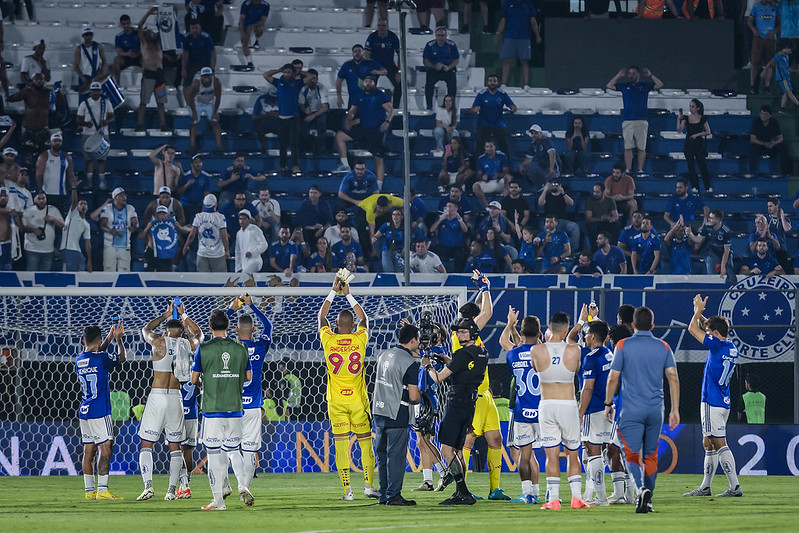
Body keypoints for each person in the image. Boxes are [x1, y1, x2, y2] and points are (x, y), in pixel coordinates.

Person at [421, 271, 494, 505]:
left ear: (470, 331)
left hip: (458, 400)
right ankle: (464, 490)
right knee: (459, 448)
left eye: (462, 329)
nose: (458, 332)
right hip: (473, 399)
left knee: (448, 449)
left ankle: (462, 491)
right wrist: (484, 289)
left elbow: (440, 378)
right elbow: (487, 313)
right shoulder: (481, 350)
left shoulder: (462, 349)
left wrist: (428, 365)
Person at [604, 306, 680, 514]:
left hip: (630, 410)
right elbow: (673, 378)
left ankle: (641, 489)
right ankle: (648, 501)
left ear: (633, 325)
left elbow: (613, 378)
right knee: (650, 456)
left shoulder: (622, 345)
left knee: (631, 455)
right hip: (656, 409)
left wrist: (608, 403)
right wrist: (675, 410)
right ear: (653, 326)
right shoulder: (663, 346)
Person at [318, 276, 378, 501]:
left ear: (336, 325)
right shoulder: (359, 339)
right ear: (352, 326)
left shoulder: (329, 340)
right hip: (358, 402)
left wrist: (333, 292)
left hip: (336, 402)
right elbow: (365, 319)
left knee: (341, 447)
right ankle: (369, 487)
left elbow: (321, 316)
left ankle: (347, 491)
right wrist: (348, 294)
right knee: (365, 444)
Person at [138, 300, 202, 501]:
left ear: (166, 331)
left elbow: (146, 329)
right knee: (175, 447)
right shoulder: (187, 344)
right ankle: (171, 491)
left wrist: (166, 315)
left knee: (146, 444)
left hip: (157, 396)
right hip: (176, 398)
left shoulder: (158, 342)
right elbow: (199, 335)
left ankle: (148, 486)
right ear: (182, 332)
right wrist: (183, 315)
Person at [191, 309, 253, 510]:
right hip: (235, 408)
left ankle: (218, 501)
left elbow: (193, 379)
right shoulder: (241, 347)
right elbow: (249, 376)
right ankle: (243, 485)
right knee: (234, 450)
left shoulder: (204, 348)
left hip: (212, 409)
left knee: (214, 453)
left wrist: (208, 381)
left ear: (210, 328)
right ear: (228, 327)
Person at [683, 295, 742, 498]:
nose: (705, 334)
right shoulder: (731, 347)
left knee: (718, 443)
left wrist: (696, 312)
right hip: (724, 401)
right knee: (707, 442)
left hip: (711, 401)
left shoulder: (716, 346)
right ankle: (705, 487)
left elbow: (692, 329)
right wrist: (701, 314)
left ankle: (734, 487)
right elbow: (708, 327)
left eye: (709, 332)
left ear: (715, 334)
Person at [529, 312, 589, 510]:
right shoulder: (575, 350)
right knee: (573, 453)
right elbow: (576, 370)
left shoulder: (536, 351)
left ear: (548, 326)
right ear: (565, 329)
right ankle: (576, 498)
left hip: (547, 406)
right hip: (568, 405)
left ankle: (554, 500)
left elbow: (537, 369)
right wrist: (581, 323)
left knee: (551, 455)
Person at [226, 293, 272, 499]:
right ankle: (245, 486)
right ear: (254, 330)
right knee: (250, 449)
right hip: (253, 406)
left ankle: (237, 483)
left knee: (231, 448)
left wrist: (232, 309)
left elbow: (218, 328)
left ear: (236, 329)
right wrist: (252, 306)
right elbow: (268, 326)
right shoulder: (260, 346)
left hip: (232, 405)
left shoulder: (229, 346)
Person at [372, 323, 422, 506]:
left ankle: (383, 495)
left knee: (383, 456)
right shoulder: (409, 363)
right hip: (396, 413)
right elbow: (414, 397)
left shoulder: (384, 354)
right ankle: (393, 496)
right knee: (396, 456)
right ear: (413, 340)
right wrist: (420, 397)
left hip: (378, 411)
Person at [76, 322, 126, 500]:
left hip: (84, 410)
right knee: (105, 450)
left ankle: (89, 492)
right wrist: (118, 340)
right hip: (100, 411)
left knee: (88, 452)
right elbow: (121, 358)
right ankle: (103, 490)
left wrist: (109, 337)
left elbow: (96, 352)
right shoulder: (102, 359)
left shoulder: (79, 360)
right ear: (98, 340)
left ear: (83, 340)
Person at [500, 308, 543, 504]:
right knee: (549, 454)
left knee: (524, 456)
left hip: (521, 412)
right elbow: (536, 347)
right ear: (540, 334)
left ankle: (528, 494)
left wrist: (510, 325)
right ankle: (546, 492)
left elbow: (505, 342)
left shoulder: (513, 355)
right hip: (543, 411)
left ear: (522, 333)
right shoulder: (545, 353)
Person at [577, 320, 613, 506]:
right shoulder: (609, 354)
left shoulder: (591, 357)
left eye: (586, 333)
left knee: (593, 451)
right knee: (602, 450)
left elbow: (587, 388)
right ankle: (595, 493)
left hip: (595, 408)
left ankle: (601, 497)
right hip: (610, 408)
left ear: (592, 336)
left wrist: (580, 412)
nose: (584, 336)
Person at [334, 75, 393, 187]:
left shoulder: (380, 95)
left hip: (375, 131)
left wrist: (387, 122)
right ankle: (345, 164)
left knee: (378, 158)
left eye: (370, 81)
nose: (368, 83)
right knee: (340, 135)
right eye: (366, 81)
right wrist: (348, 119)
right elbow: (352, 111)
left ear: (374, 83)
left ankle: (379, 185)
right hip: (362, 129)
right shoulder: (359, 95)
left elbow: (390, 110)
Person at [606, 66, 664, 173]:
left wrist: (650, 75)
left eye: (633, 73)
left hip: (641, 120)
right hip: (628, 120)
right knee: (628, 147)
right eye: (629, 73)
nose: (630, 75)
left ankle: (640, 169)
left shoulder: (644, 86)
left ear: (638, 75)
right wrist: (618, 75)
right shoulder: (624, 86)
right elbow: (609, 85)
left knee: (641, 147)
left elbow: (660, 85)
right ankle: (628, 169)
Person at [7, 72, 61, 169]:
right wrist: (23, 91)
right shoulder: (27, 92)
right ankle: (25, 183)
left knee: (45, 161)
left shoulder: (48, 93)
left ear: (44, 81)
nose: (39, 81)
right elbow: (11, 99)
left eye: (41, 79)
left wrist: (58, 91)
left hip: (43, 130)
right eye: (37, 79)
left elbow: (61, 103)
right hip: (28, 129)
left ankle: (44, 182)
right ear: (32, 81)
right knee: (27, 160)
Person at [264, 63, 308, 174]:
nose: (287, 74)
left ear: (292, 73)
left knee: (294, 143)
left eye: (289, 72)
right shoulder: (278, 82)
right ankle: (282, 166)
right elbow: (266, 75)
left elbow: (311, 76)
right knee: (282, 144)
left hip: (293, 117)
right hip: (281, 118)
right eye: (285, 72)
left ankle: (295, 165)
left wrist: (299, 71)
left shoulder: (297, 83)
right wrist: (279, 69)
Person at [494, 0, 541, 90]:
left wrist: (537, 35)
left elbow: (533, 21)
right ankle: (504, 84)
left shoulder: (528, 4)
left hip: (524, 37)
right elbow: (503, 20)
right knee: (507, 60)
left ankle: (526, 85)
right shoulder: (508, 4)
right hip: (510, 36)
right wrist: (498, 33)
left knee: (524, 61)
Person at [77, 82, 114, 191]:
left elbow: (112, 117)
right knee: (89, 160)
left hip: (102, 134)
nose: (96, 93)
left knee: (102, 159)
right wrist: (85, 123)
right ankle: (89, 183)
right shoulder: (84, 103)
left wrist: (106, 121)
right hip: (88, 133)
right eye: (94, 90)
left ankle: (102, 183)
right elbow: (78, 119)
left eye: (98, 90)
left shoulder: (106, 103)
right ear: (90, 91)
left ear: (100, 91)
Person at [136, 8, 169, 132]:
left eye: (151, 32)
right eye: (147, 32)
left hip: (159, 75)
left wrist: (170, 14)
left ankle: (163, 125)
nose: (150, 34)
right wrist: (149, 13)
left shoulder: (158, 43)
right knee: (143, 102)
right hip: (149, 75)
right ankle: (139, 125)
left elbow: (167, 27)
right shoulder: (144, 44)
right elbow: (139, 26)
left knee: (161, 103)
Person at [471, 74, 516, 157]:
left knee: (504, 147)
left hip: (499, 124)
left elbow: (513, 106)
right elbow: (473, 108)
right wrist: (475, 109)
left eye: (494, 81)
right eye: (490, 81)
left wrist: (513, 108)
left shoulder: (502, 94)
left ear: (497, 83)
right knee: (480, 148)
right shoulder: (482, 94)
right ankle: (478, 168)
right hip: (484, 124)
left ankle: (506, 168)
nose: (492, 83)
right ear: (487, 83)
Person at [183, 193, 230, 272]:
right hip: (218, 254)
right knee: (219, 279)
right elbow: (224, 236)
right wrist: (227, 250)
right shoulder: (220, 217)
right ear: (215, 204)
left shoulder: (199, 217)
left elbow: (192, 235)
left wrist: (186, 245)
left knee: (203, 280)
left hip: (202, 253)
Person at [35, 132, 78, 214]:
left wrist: (73, 187)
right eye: (55, 141)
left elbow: (71, 175)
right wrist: (40, 191)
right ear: (51, 142)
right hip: (47, 194)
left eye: (59, 141)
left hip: (61, 194)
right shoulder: (44, 156)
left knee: (59, 219)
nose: (57, 142)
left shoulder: (67, 157)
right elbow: (39, 175)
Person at [364, 18, 402, 109]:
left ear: (387, 27)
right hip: (376, 65)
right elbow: (367, 54)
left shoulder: (393, 37)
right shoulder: (372, 37)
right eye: (379, 26)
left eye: (383, 26)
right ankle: (370, 106)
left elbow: (400, 54)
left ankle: (395, 108)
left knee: (399, 85)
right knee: (369, 85)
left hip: (389, 65)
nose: (381, 28)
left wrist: (399, 71)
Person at [689, 209, 734, 284]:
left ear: (718, 219)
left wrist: (723, 266)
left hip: (725, 255)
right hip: (712, 254)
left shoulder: (726, 231)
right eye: (709, 218)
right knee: (712, 278)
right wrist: (690, 233)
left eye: (712, 218)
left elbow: (726, 251)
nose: (709, 220)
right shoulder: (707, 226)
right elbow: (698, 240)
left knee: (727, 277)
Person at [22, 191, 63, 271]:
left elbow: (62, 225)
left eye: (43, 198)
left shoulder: (53, 210)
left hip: (48, 250)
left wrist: (53, 219)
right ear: (34, 200)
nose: (41, 201)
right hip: (31, 248)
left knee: (45, 276)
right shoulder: (28, 211)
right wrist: (33, 230)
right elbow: (22, 228)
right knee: (32, 274)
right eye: (39, 198)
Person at [98, 188, 138, 272]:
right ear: (115, 197)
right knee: (109, 271)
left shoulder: (130, 208)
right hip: (110, 246)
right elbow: (102, 224)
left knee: (124, 272)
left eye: (125, 195)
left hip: (125, 246)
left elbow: (135, 222)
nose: (125, 198)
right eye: (121, 196)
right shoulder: (108, 208)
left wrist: (134, 227)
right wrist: (110, 231)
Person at [335, 44, 386, 110]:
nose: (357, 53)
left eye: (359, 51)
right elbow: (339, 81)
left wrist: (378, 72)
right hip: (353, 99)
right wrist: (339, 96)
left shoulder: (370, 63)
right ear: (352, 53)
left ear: (363, 53)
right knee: (351, 118)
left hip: (369, 99)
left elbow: (385, 71)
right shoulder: (347, 65)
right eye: (355, 51)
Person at [678, 99, 713, 193]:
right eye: (690, 106)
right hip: (689, 144)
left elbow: (708, 132)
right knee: (691, 166)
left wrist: (698, 134)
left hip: (699, 144)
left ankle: (707, 186)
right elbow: (679, 130)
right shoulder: (686, 118)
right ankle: (694, 186)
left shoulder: (702, 118)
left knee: (702, 165)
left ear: (697, 108)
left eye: (693, 106)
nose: (690, 108)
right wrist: (679, 119)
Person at [373, 207, 423, 272]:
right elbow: (376, 236)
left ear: (402, 217)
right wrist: (374, 238)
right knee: (389, 272)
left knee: (399, 273)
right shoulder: (386, 225)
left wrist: (405, 249)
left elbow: (410, 239)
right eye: (393, 214)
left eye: (398, 215)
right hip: (387, 251)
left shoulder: (406, 227)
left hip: (400, 253)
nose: (395, 217)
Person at [186, 67, 223, 153]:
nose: (206, 78)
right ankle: (192, 146)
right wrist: (194, 113)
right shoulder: (196, 83)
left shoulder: (216, 82)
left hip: (209, 103)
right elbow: (190, 98)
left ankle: (218, 146)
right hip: (196, 103)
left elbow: (218, 98)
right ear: (201, 76)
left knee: (215, 122)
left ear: (211, 76)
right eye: (204, 76)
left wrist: (215, 112)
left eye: (208, 76)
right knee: (194, 123)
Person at [423, 28, 459, 110]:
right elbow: (425, 61)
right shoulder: (430, 45)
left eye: (442, 35)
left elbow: (456, 60)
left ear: (446, 36)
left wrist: (449, 67)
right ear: (435, 36)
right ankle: (429, 105)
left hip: (447, 69)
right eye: (438, 35)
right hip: (434, 69)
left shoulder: (451, 45)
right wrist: (434, 66)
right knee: (429, 85)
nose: (440, 38)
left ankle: (451, 106)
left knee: (452, 85)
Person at [748, 0, 779, 94]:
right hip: (758, 38)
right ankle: (752, 86)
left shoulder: (776, 7)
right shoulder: (756, 7)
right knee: (755, 62)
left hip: (771, 38)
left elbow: (780, 22)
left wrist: (774, 32)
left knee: (769, 63)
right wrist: (754, 30)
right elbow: (749, 21)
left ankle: (767, 86)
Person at [748, 104, 791, 174]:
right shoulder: (756, 122)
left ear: (769, 116)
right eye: (761, 113)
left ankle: (785, 172)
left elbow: (781, 138)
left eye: (765, 114)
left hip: (771, 146)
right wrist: (763, 144)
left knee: (784, 147)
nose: (763, 116)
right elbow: (753, 139)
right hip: (760, 146)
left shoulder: (774, 122)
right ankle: (752, 172)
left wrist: (774, 143)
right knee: (752, 147)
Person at [181, 19, 216, 102]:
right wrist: (183, 68)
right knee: (186, 84)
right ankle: (189, 104)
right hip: (192, 63)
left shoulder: (206, 37)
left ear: (200, 27)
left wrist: (212, 68)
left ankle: (207, 101)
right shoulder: (187, 37)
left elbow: (213, 54)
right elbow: (185, 54)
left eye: (196, 28)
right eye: (192, 28)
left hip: (205, 63)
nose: (194, 30)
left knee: (207, 83)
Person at [473, 139, 512, 210]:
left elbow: (506, 171)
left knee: (509, 177)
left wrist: (499, 175)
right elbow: (478, 175)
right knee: (475, 186)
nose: (489, 149)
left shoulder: (502, 156)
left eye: (491, 146)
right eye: (487, 147)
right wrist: (482, 177)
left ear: (495, 147)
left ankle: (504, 203)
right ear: (485, 148)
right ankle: (488, 207)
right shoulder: (481, 159)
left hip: (499, 182)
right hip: (487, 182)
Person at [430, 200, 468, 273]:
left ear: (456, 208)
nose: (447, 208)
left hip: (456, 247)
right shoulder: (440, 219)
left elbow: (465, 230)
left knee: (461, 255)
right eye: (446, 206)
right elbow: (432, 230)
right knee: (432, 252)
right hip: (443, 246)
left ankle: (458, 274)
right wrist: (441, 219)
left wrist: (460, 220)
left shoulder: (459, 219)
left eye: (450, 206)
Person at [537, 181, 579, 247]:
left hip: (562, 221)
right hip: (550, 221)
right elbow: (540, 203)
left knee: (574, 227)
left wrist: (563, 193)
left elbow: (571, 203)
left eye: (556, 185)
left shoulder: (563, 196)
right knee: (546, 230)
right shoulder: (547, 196)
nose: (554, 186)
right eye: (552, 185)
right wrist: (545, 190)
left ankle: (573, 250)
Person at [298, 69, 330, 155]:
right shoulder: (303, 89)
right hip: (308, 111)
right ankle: (305, 147)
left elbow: (325, 107)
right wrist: (305, 110)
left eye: (314, 78)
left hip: (319, 111)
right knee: (302, 128)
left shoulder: (322, 88)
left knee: (321, 122)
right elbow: (301, 104)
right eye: (311, 78)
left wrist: (314, 115)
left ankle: (321, 147)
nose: (312, 81)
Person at [61, 187, 92, 272]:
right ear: (77, 207)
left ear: (87, 208)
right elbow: (74, 201)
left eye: (85, 204)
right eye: (81, 204)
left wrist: (89, 260)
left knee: (82, 264)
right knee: (69, 274)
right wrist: (74, 188)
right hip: (67, 249)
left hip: (77, 251)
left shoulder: (86, 224)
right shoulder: (73, 215)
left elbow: (87, 243)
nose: (83, 206)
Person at [176, 154, 212, 222]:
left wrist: (203, 210)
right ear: (192, 164)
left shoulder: (206, 177)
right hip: (185, 205)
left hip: (199, 205)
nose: (198, 164)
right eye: (196, 162)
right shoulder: (185, 176)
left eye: (200, 162)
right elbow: (178, 192)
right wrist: (187, 184)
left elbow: (206, 194)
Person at [585, 182, 620, 248]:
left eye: (597, 192)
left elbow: (616, 216)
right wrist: (600, 219)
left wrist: (612, 218)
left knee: (616, 225)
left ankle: (613, 248)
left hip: (606, 221)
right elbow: (589, 218)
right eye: (594, 192)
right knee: (591, 227)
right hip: (595, 222)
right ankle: (594, 250)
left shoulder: (610, 200)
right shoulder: (589, 200)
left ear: (603, 192)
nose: (595, 194)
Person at [73, 27, 106, 92]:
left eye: (90, 34)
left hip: (96, 76)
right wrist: (82, 77)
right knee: (84, 99)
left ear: (92, 35)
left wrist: (101, 71)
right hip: (85, 76)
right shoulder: (79, 49)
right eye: (86, 35)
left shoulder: (98, 46)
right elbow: (76, 65)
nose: (88, 37)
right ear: (83, 36)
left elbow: (104, 60)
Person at [239, 0, 270, 69]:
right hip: (246, 24)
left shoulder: (265, 5)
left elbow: (263, 20)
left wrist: (251, 26)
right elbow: (241, 19)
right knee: (244, 41)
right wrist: (243, 33)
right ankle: (249, 61)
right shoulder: (246, 4)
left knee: (260, 29)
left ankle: (256, 40)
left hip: (256, 24)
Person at [113, 14, 141, 84]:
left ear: (130, 23)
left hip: (138, 56)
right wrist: (128, 54)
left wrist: (138, 53)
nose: (126, 25)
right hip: (126, 57)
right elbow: (119, 52)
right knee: (116, 60)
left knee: (147, 60)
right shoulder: (119, 36)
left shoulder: (137, 33)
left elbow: (144, 46)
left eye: (127, 23)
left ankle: (146, 82)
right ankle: (117, 83)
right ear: (121, 25)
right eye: (124, 24)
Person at [252, 85, 279, 152]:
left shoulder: (284, 99)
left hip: (278, 122)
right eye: (271, 99)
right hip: (264, 122)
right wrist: (267, 115)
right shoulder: (261, 99)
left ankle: (282, 147)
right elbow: (254, 117)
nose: (273, 101)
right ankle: (263, 146)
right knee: (259, 125)